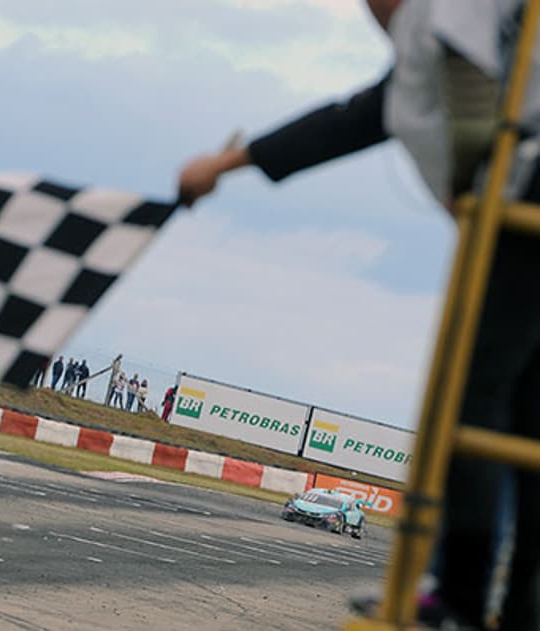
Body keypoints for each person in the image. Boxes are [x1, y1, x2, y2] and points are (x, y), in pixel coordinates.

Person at [180, 2, 540, 628]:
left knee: (473, 399)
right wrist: (225, 165)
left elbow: (467, 75)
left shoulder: (439, 12)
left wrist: (466, 180)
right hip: (518, 207)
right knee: (523, 417)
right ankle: (517, 609)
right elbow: (358, 116)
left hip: (523, 207)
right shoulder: (419, 50)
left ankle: (458, 598)